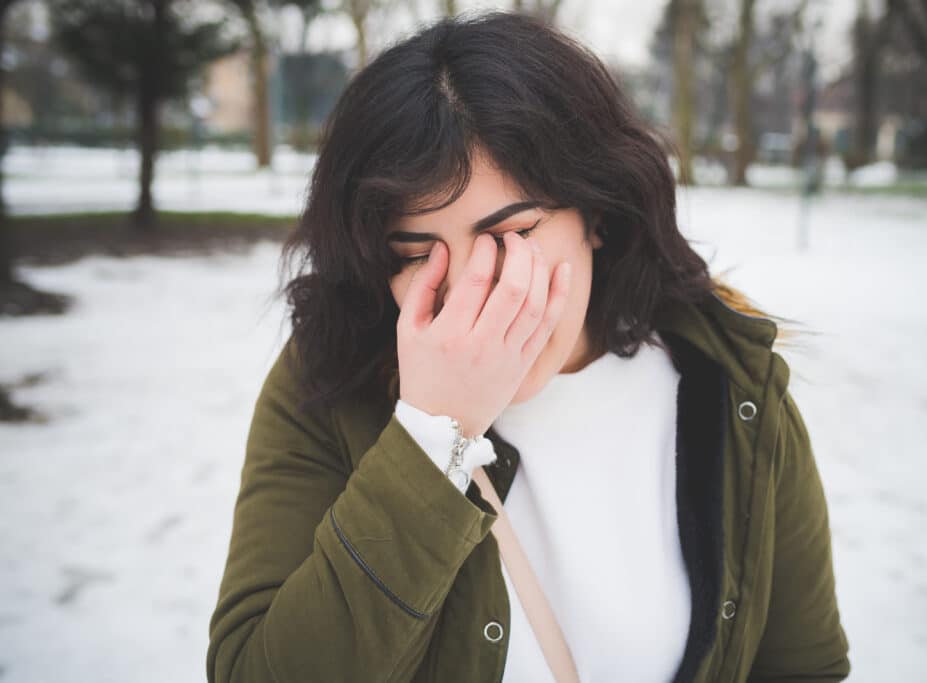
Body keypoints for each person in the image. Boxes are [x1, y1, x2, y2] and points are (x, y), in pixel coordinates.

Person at [206, 10, 850, 683]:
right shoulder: (326, 383)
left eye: (512, 235)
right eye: (415, 254)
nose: (472, 299)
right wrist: (430, 440)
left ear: (596, 212)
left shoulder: (732, 387)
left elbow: (802, 667)